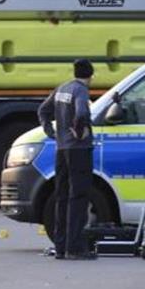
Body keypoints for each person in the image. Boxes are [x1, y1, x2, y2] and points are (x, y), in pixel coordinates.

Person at [37, 58, 97, 261]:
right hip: (79, 149)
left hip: (61, 149)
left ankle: (61, 247)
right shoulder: (80, 90)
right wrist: (80, 130)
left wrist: (50, 131)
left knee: (61, 197)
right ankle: (76, 247)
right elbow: (81, 112)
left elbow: (43, 110)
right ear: (91, 75)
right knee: (78, 197)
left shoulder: (62, 88)